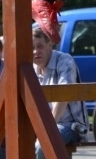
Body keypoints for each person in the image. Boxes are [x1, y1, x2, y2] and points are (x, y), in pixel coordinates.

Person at [31, 29, 88, 159]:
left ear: (49, 44)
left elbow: (63, 97)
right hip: (43, 123)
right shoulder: (32, 68)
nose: (35, 51)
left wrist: (46, 127)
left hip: (71, 125)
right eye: (31, 48)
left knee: (43, 145)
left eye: (40, 46)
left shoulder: (64, 60)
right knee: (12, 139)